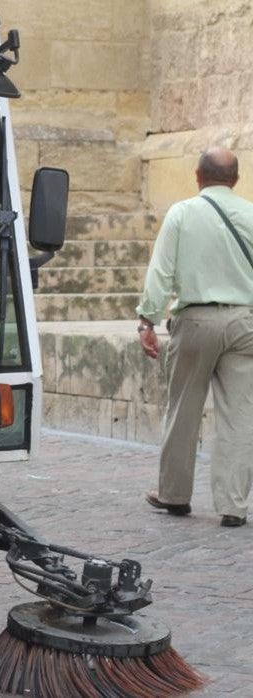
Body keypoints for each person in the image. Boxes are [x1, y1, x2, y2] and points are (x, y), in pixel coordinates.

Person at [138, 147, 253, 528]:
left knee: (183, 410)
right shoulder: (251, 214)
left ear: (197, 176)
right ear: (235, 180)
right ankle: (234, 506)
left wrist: (147, 321)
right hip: (244, 322)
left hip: (196, 321)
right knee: (240, 417)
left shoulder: (182, 213)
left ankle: (174, 495)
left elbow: (161, 274)